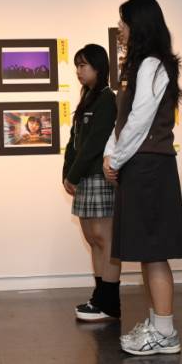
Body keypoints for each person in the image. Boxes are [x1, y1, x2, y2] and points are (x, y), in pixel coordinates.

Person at [103, 0, 182, 356]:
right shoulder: (139, 66)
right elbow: (123, 120)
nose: (119, 29)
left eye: (123, 22)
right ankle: (157, 324)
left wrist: (116, 159)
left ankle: (165, 331)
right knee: (146, 251)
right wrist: (111, 154)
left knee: (154, 252)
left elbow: (140, 120)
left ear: (139, 24)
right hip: (140, 166)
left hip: (150, 167)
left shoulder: (153, 64)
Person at [62, 44, 120, 321]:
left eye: (83, 65)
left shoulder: (107, 99)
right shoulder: (87, 98)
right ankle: (99, 298)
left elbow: (96, 143)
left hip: (98, 175)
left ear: (98, 67)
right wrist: (67, 172)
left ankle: (110, 302)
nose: (78, 71)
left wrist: (73, 174)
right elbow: (74, 141)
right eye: (77, 65)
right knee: (92, 239)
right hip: (84, 176)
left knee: (104, 239)